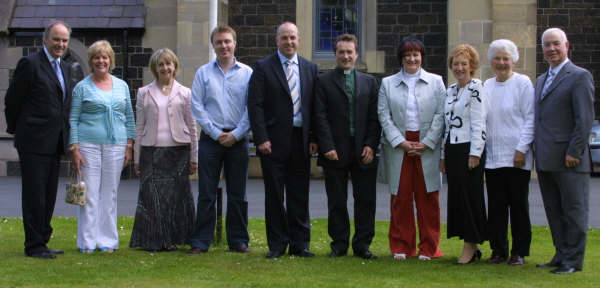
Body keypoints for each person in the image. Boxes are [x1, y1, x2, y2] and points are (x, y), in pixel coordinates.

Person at [248, 21, 319, 258]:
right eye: (284, 38)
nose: (289, 42)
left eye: (293, 38)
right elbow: (255, 105)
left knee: (300, 193)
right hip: (273, 141)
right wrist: (261, 138)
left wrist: (313, 137)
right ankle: (277, 244)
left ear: (299, 40)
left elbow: (314, 107)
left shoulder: (310, 68)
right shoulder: (263, 67)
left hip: (301, 140)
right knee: (275, 194)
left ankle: (300, 244)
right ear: (277, 40)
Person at [4, 20, 72, 259]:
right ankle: (33, 246)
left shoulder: (64, 67)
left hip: (55, 142)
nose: (60, 44)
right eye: (56, 39)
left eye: (64, 40)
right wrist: (18, 129)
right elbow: (12, 101)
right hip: (33, 141)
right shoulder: (30, 64)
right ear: (45, 39)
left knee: (49, 194)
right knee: (35, 195)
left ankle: (42, 239)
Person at [378, 37, 445, 261]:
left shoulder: (436, 82)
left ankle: (429, 247)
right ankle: (402, 246)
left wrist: (427, 143)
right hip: (399, 147)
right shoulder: (388, 83)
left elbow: (441, 115)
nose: (412, 59)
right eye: (407, 55)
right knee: (401, 198)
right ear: (401, 58)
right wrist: (402, 142)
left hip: (427, 145)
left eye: (416, 54)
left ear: (422, 57)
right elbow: (384, 116)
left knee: (428, 199)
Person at [314, 34, 381, 259]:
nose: (345, 56)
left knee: (366, 200)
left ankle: (362, 245)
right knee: (336, 201)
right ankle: (339, 245)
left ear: (356, 54)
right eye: (341, 52)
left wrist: (371, 145)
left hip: (364, 150)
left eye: (349, 52)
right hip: (334, 150)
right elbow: (319, 116)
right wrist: (327, 146)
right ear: (335, 54)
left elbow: (375, 117)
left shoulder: (369, 82)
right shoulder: (323, 81)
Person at [534, 28, 595, 274]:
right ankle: (560, 254)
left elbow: (585, 119)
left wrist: (575, 151)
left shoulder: (579, 76)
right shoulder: (540, 79)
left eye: (556, 44)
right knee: (554, 211)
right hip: (546, 158)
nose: (551, 49)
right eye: (547, 45)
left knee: (574, 211)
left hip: (570, 159)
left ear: (567, 45)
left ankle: (573, 261)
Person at [188, 25, 253, 255]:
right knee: (206, 192)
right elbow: (197, 106)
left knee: (238, 193)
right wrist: (217, 134)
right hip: (210, 140)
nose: (223, 46)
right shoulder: (203, 73)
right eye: (219, 42)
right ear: (213, 45)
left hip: (239, 139)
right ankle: (200, 241)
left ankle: (238, 241)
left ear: (235, 43)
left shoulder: (247, 73)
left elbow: (251, 107)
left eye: (227, 41)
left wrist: (236, 134)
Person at [69, 40, 136, 254]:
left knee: (110, 194)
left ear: (110, 60)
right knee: (89, 195)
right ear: (91, 61)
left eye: (105, 57)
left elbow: (129, 118)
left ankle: (107, 241)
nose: (101, 61)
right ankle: (87, 242)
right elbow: (73, 118)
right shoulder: (82, 87)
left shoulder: (122, 86)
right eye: (97, 57)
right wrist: (75, 148)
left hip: (116, 145)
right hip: (88, 145)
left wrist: (129, 145)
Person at [129, 48, 197, 252]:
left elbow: (192, 126)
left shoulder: (185, 92)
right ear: (155, 68)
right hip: (150, 151)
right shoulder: (143, 92)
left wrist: (194, 157)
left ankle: (172, 239)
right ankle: (153, 240)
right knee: (151, 196)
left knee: (175, 198)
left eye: (169, 64)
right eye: (161, 64)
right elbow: (139, 126)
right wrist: (136, 158)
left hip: (179, 152)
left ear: (175, 67)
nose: (165, 68)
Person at [483, 39, 534, 266]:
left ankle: (519, 252)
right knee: (496, 206)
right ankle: (498, 250)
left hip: (517, 157)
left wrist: (521, 149)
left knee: (518, 206)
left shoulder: (523, 83)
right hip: (493, 158)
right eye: (497, 58)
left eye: (506, 58)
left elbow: (530, 118)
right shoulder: (487, 85)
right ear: (491, 61)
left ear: (513, 60)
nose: (502, 62)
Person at [440, 44, 487, 264]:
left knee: (470, 198)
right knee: (458, 199)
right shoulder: (450, 90)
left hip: (469, 150)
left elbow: (479, 123)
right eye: (456, 64)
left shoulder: (476, 87)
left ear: (472, 66)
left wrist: (475, 154)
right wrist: (442, 156)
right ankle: (470, 245)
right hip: (452, 149)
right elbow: (446, 126)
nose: (459, 68)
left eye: (464, 64)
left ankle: (471, 245)